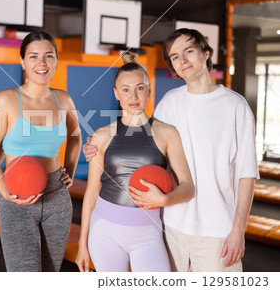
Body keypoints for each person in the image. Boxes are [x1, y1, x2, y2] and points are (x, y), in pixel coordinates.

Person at [83, 28, 259, 272]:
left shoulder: (235, 106)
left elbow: (246, 173)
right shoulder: (169, 102)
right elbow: (141, 144)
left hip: (216, 230)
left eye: (189, 51)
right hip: (170, 226)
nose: (183, 60)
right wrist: (94, 146)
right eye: (175, 57)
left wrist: (239, 230)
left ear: (206, 53)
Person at [75, 53, 194, 272]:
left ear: (149, 90)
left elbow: (188, 188)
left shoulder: (167, 133)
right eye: (126, 89)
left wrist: (165, 199)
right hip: (104, 231)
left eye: (140, 88)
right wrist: (82, 244)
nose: (134, 95)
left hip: (148, 233)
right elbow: (92, 191)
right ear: (116, 93)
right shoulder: (102, 136)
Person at [0, 31, 82, 272]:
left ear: (56, 61)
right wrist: (6, 192)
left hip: (57, 196)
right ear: (22, 61)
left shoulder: (64, 99)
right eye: (34, 56)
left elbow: (76, 139)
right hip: (17, 197)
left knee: (49, 273)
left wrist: (68, 172)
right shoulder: (5, 100)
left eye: (49, 56)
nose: (42, 63)